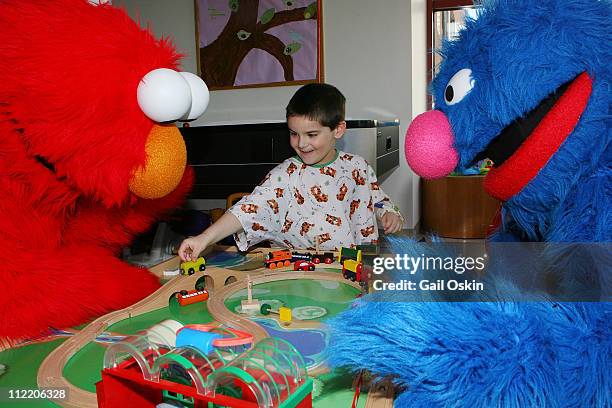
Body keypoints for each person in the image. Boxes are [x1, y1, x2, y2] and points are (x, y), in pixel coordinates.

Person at [179, 83, 403, 261]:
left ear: (338, 130)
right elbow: (247, 210)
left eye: (312, 134)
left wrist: (389, 213)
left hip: (354, 265)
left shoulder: (358, 167)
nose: (301, 143)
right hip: (300, 271)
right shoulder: (284, 175)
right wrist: (204, 238)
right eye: (294, 133)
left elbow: (377, 198)